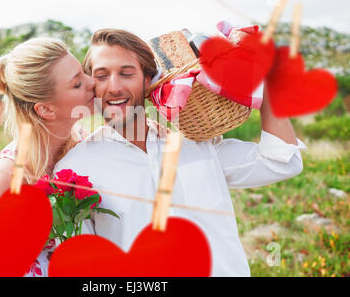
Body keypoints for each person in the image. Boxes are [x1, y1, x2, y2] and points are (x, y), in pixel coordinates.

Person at [53, 28, 307, 276]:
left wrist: (267, 81)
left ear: (148, 80)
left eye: (126, 73)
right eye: (101, 75)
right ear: (90, 85)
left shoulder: (197, 143)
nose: (114, 87)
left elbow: (284, 162)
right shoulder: (76, 169)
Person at [0, 37, 95, 277]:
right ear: (46, 109)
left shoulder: (84, 140)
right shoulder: (8, 173)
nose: (92, 82)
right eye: (77, 84)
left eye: (83, 73)